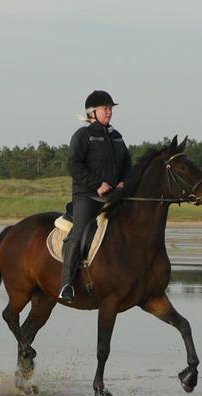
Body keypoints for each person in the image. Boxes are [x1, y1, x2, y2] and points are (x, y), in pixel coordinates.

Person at [59, 90, 132, 301]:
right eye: (105, 108)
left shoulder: (117, 137)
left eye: (110, 109)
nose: (109, 112)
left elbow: (128, 165)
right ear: (93, 112)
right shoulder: (83, 135)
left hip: (114, 197)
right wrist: (96, 184)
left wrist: (124, 181)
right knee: (79, 232)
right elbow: (73, 165)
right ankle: (66, 284)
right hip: (87, 196)